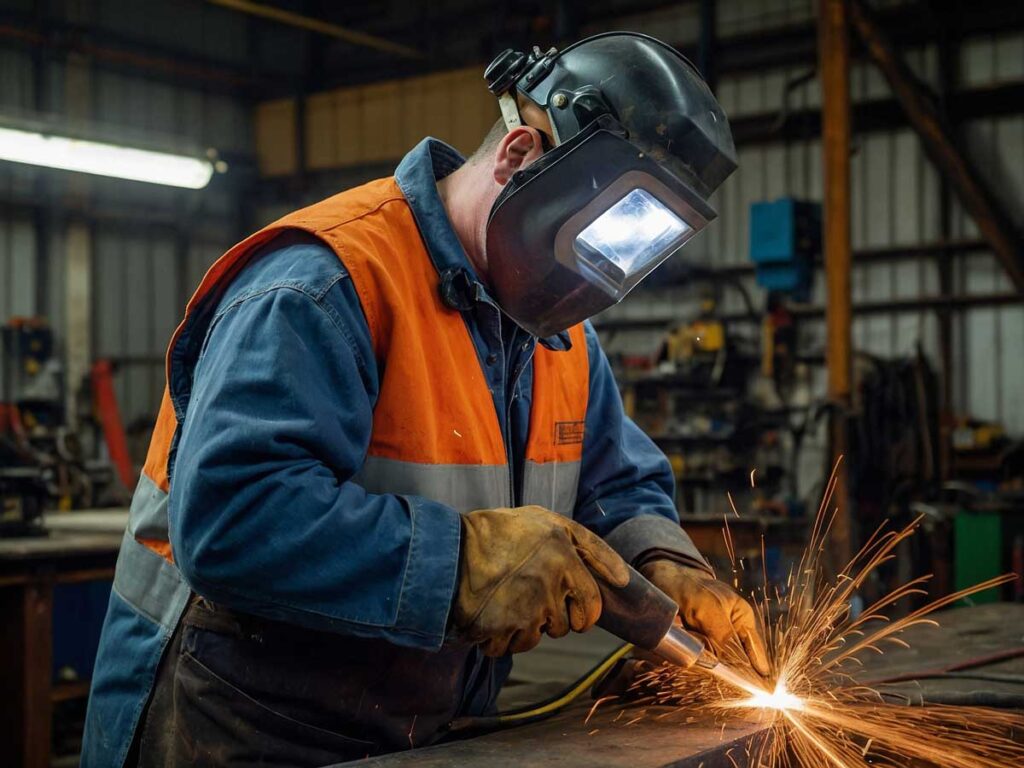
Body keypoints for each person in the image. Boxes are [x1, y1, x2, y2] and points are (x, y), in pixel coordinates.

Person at [82, 31, 769, 767]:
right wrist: (464, 563)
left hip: (423, 727)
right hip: (246, 723)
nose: (601, 271)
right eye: (597, 232)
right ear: (519, 156)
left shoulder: (559, 336)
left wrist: (668, 567)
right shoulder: (324, 285)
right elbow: (233, 518)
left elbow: (615, 481)